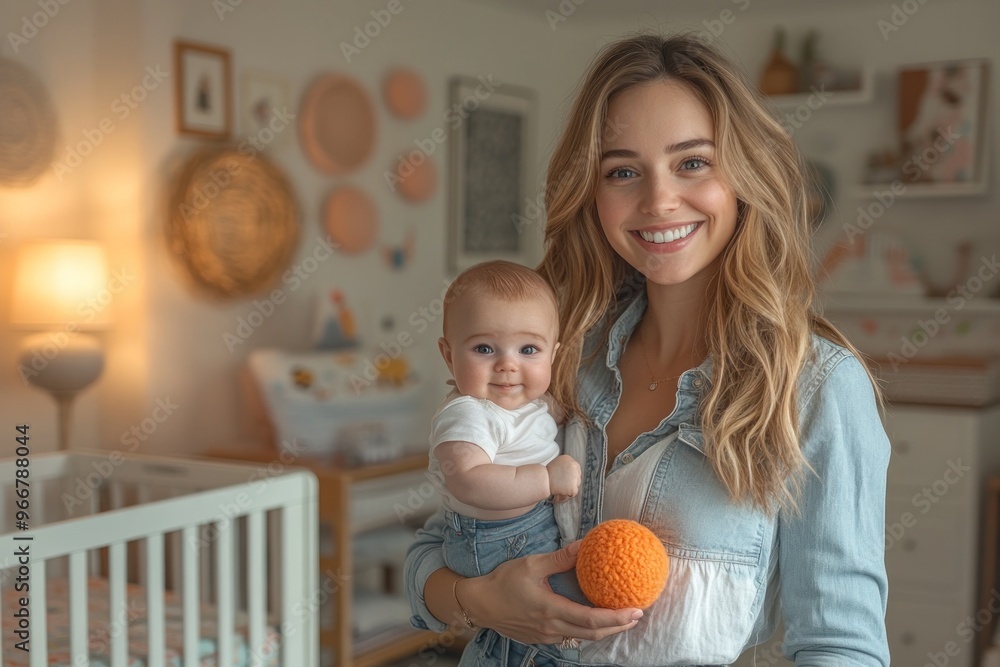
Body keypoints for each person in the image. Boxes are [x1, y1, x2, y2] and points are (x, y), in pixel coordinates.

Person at [406, 32, 890, 666]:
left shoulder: (817, 386)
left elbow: (840, 646)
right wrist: (482, 601)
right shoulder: (559, 356)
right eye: (623, 170)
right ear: (593, 191)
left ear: (742, 175)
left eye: (692, 162)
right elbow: (433, 556)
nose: (659, 200)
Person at [428, 260, 582, 584]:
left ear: (552, 355)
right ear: (448, 356)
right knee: (536, 617)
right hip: (493, 540)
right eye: (484, 348)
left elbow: (527, 422)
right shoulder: (469, 413)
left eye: (528, 349)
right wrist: (547, 480)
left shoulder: (525, 403)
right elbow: (468, 480)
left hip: (524, 528)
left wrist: (553, 411)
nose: (508, 365)